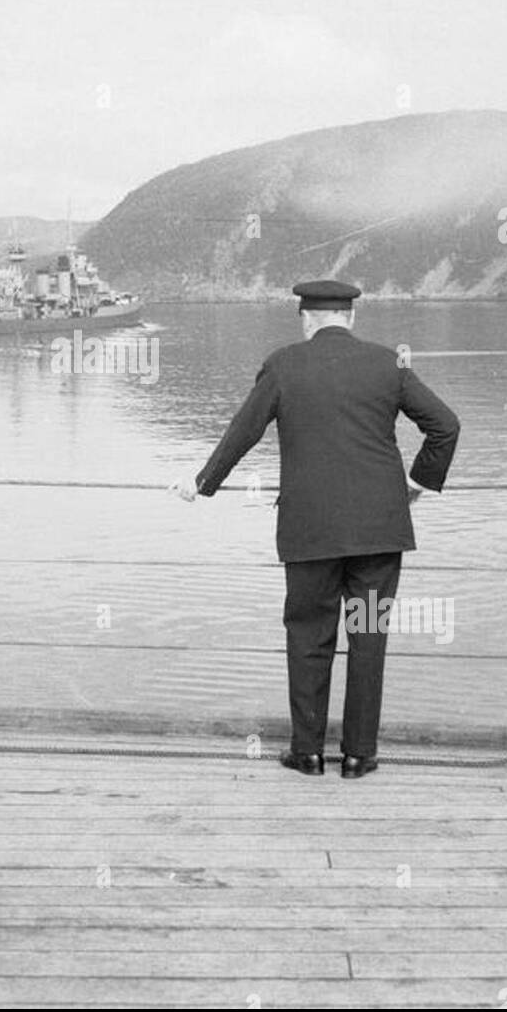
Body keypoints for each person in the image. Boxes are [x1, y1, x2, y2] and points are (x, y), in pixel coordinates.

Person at [175, 281, 460, 779]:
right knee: (368, 638)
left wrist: (203, 483)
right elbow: (445, 426)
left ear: (305, 319)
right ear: (350, 319)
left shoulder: (284, 364)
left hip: (309, 531)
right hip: (378, 529)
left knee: (309, 637)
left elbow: (243, 431)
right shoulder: (387, 363)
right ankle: (358, 757)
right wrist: (418, 482)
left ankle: (307, 753)